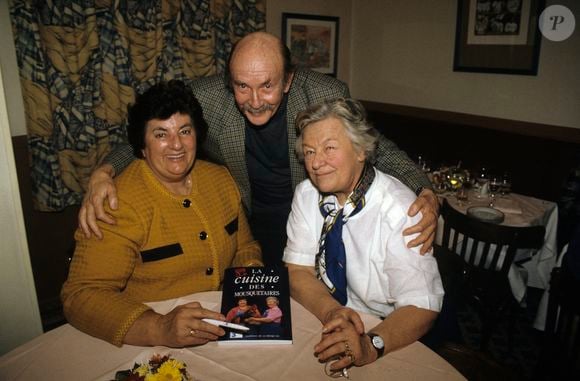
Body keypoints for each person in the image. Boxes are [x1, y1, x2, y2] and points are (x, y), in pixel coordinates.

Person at [78, 32, 439, 266]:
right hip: (251, 221)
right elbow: (148, 131)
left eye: (266, 86)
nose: (253, 101)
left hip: (313, 215)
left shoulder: (324, 94)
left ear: (288, 80)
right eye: (241, 86)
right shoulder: (206, 97)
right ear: (228, 81)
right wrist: (103, 171)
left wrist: (423, 187)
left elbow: (374, 145)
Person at [61, 80, 262, 347]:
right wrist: (157, 328)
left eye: (184, 131)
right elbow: (80, 295)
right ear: (142, 145)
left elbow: (244, 246)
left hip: (221, 326)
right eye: (161, 134)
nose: (176, 144)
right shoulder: (115, 202)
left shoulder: (221, 179)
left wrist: (251, 277)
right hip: (147, 341)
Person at [283, 98, 443, 373]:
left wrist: (371, 345)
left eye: (329, 148)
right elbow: (298, 271)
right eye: (309, 152)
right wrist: (332, 312)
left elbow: (422, 305)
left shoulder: (400, 209)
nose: (317, 162)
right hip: (326, 313)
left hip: (389, 329)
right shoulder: (306, 195)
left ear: (361, 151)